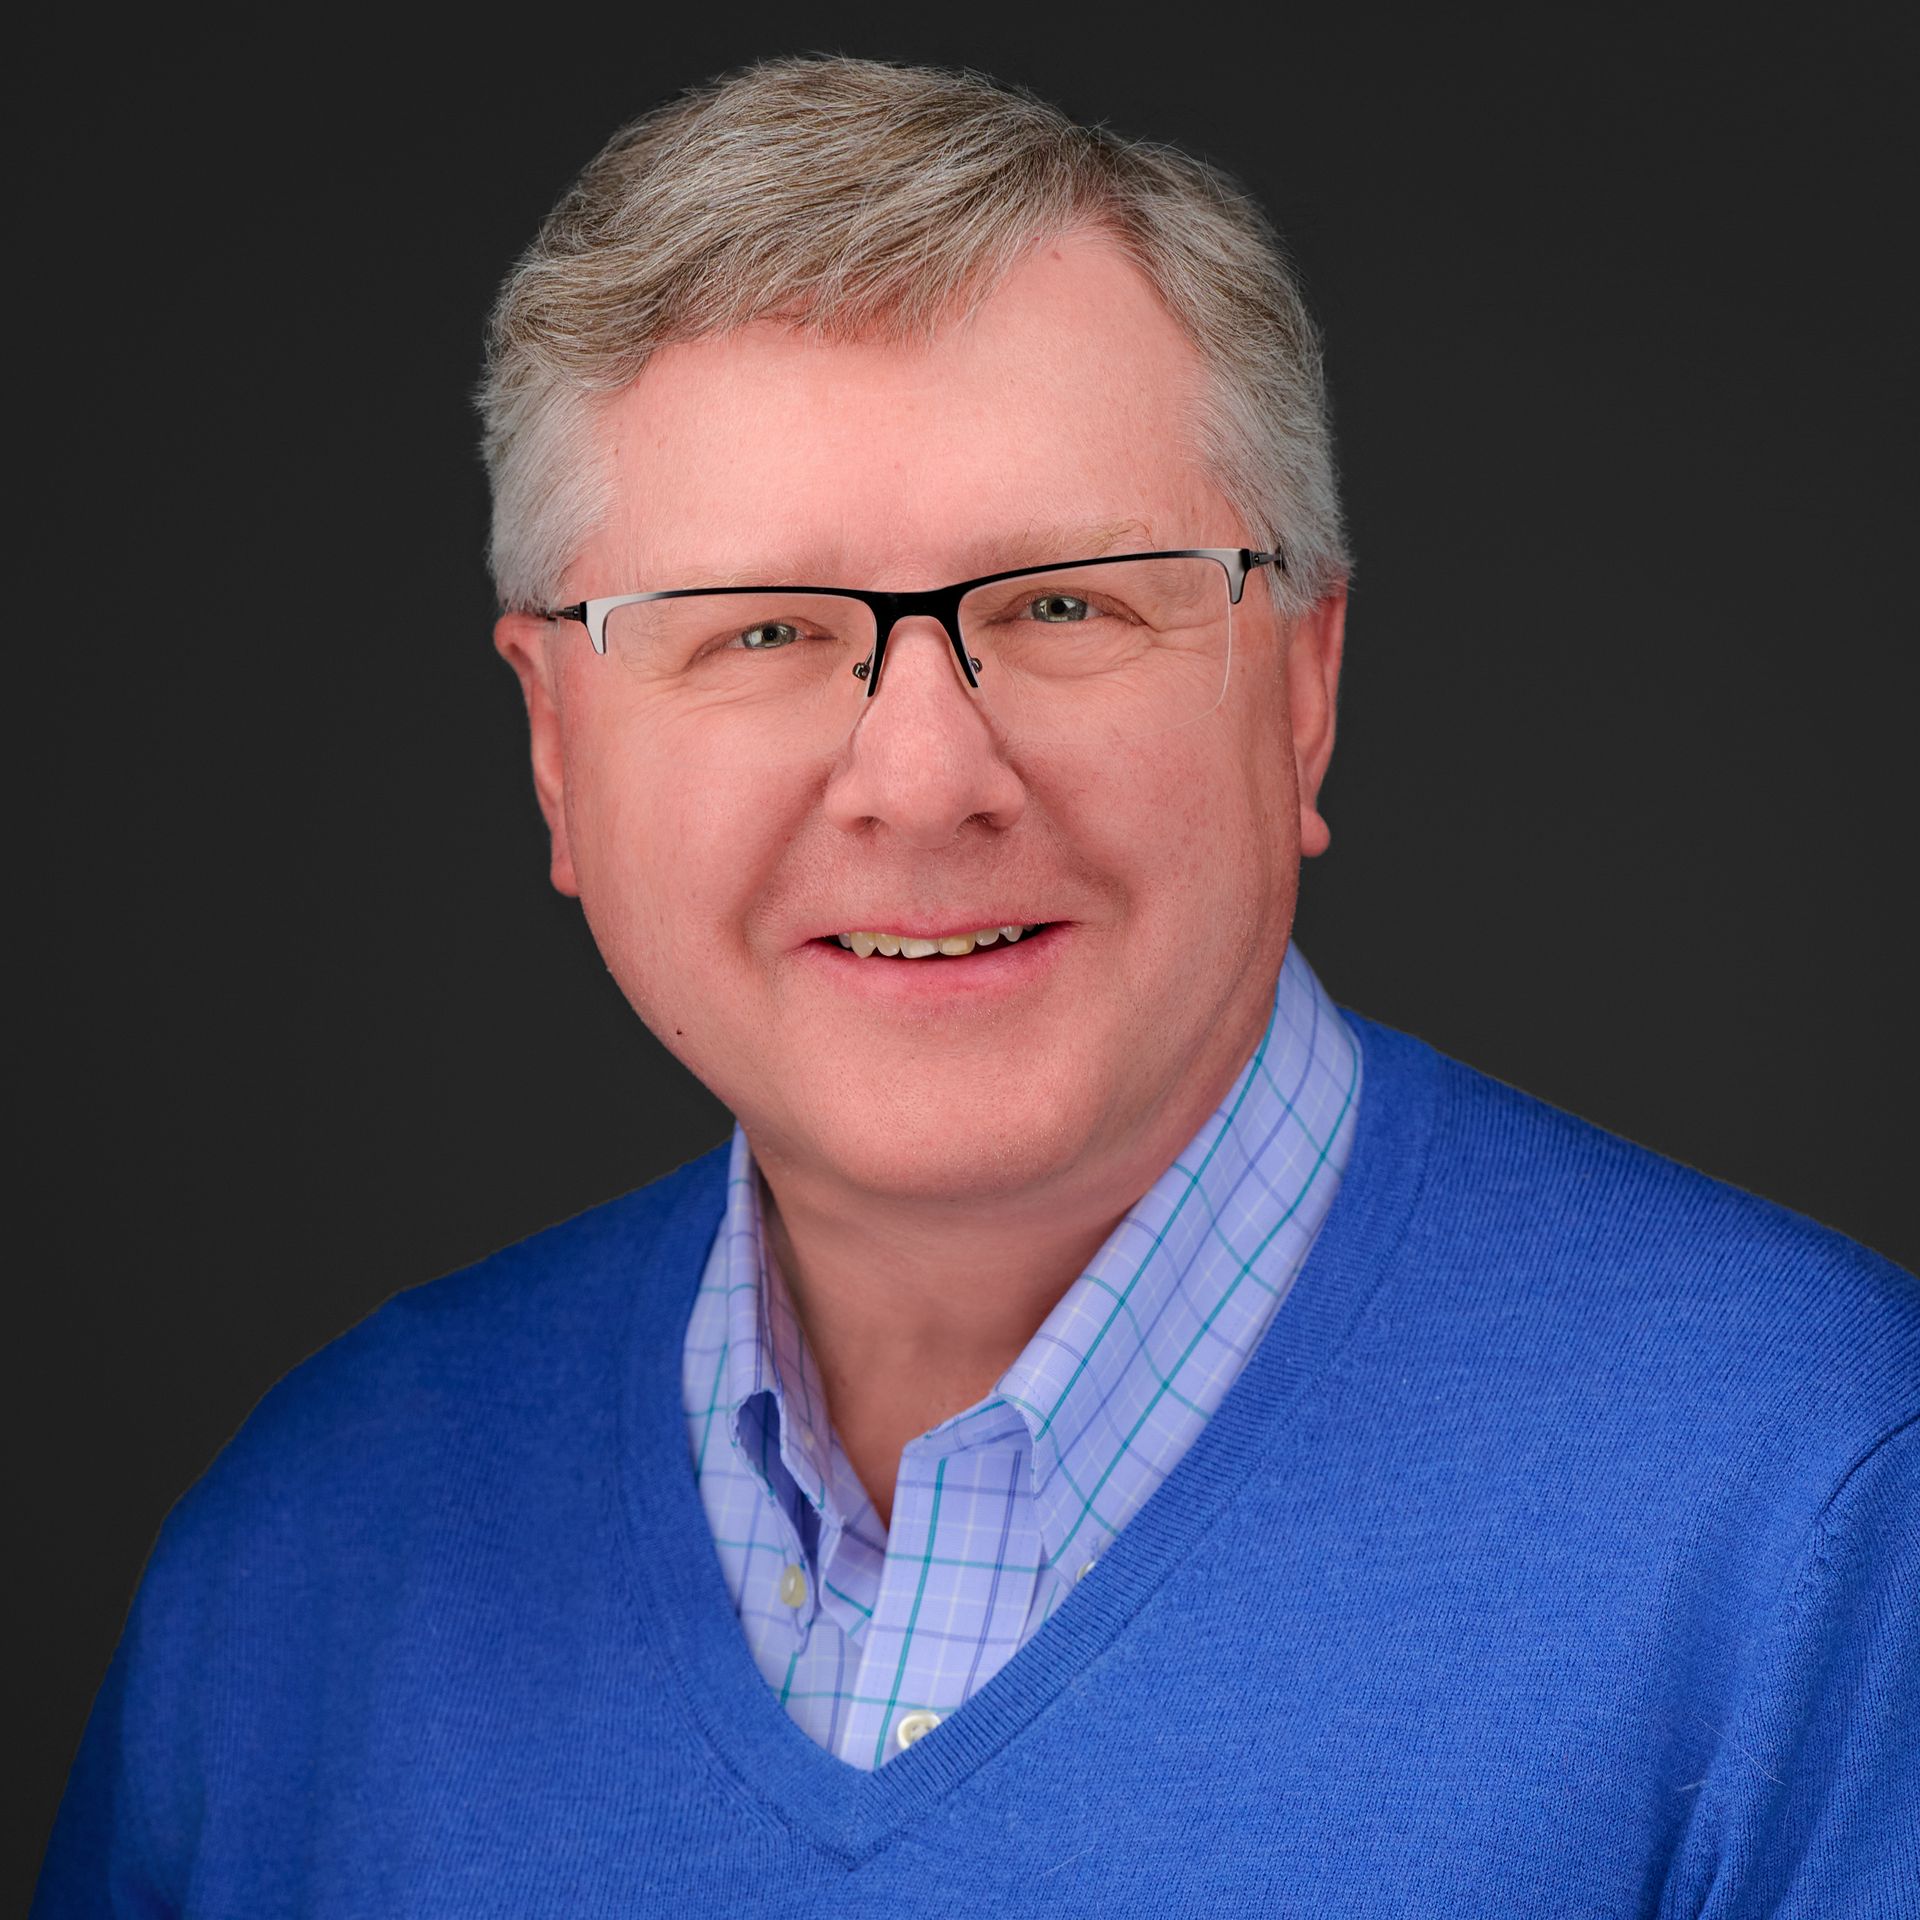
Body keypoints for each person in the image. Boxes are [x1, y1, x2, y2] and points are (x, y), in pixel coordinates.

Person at [36, 53, 1917, 1917]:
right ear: (554, 749)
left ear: (1303, 688)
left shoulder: (1823, 1521)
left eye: (1067, 604)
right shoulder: (307, 1562)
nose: (925, 776)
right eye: (762, 630)